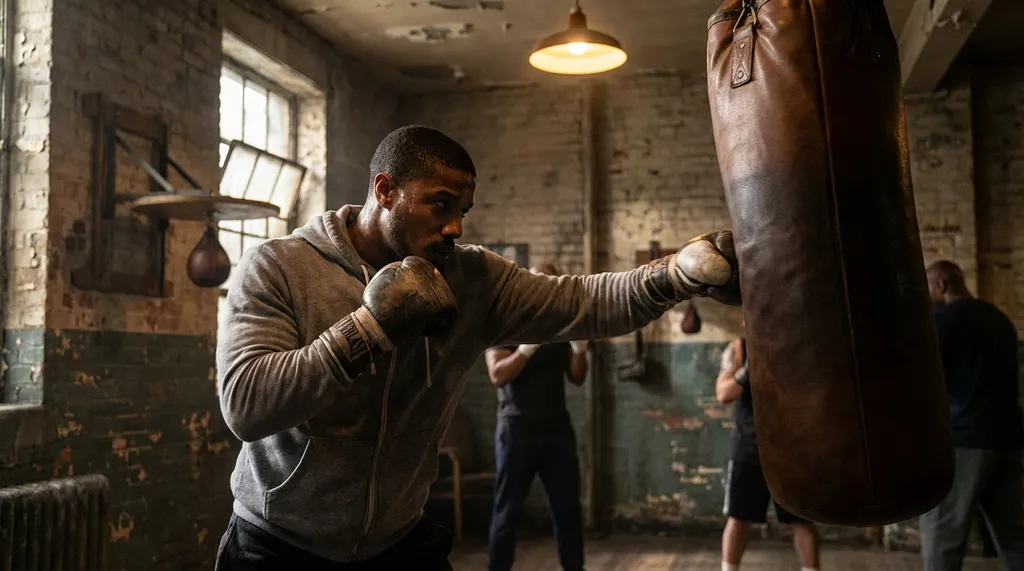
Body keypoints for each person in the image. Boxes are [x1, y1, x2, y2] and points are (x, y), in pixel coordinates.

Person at [214, 124, 742, 570]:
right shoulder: (278, 266)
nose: (455, 226)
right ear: (384, 190)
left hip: (399, 543)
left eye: (462, 209)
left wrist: (674, 275)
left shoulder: (472, 278)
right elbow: (247, 405)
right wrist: (372, 327)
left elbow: (580, 300)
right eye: (439, 205)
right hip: (278, 545)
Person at [918, 260, 1024, 571]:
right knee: (1015, 536)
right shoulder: (999, 319)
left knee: (943, 534)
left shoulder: (945, 322)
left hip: (965, 441)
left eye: (928, 287)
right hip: (1008, 438)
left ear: (940, 285)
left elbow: (932, 380)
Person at [484, 263, 589, 571]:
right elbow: (497, 375)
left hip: (557, 428)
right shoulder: (506, 321)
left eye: (552, 285)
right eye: (541, 284)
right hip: (516, 428)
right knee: (508, 511)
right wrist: (527, 350)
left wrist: (580, 349)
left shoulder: (560, 324)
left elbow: (577, 378)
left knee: (568, 511)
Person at [715, 333, 820, 571]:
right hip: (750, 449)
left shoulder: (798, 344)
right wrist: (748, 370)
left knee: (802, 521)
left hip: (792, 451)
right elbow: (723, 394)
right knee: (738, 519)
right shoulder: (738, 348)